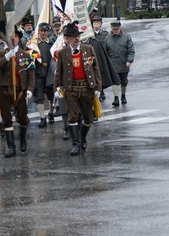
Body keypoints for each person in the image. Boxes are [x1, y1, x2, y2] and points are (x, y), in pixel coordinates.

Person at [53, 21, 102, 155]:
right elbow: (59, 71)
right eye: (73, 36)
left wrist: (98, 88)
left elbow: (95, 69)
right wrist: (57, 87)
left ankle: (82, 137)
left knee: (88, 118)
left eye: (77, 36)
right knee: (72, 116)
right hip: (71, 89)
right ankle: (75, 144)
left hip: (86, 88)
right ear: (67, 38)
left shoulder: (88, 49)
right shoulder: (62, 53)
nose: (76, 38)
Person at [0, 27, 35, 157]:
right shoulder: (2, 53)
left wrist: (29, 89)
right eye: (11, 37)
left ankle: (22, 139)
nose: (14, 39)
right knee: (6, 118)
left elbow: (31, 74)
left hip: (21, 90)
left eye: (16, 36)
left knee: (22, 117)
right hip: (5, 90)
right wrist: (6, 57)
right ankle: (11, 146)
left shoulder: (25, 54)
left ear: (18, 38)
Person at [84, 15, 119, 103]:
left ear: (101, 23)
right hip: (93, 58)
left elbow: (109, 46)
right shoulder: (90, 35)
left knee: (103, 74)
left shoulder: (105, 34)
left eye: (98, 22)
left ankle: (102, 90)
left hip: (103, 57)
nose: (96, 23)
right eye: (94, 22)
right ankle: (100, 90)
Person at [105, 21, 135, 106]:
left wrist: (129, 60)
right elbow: (105, 52)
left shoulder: (126, 37)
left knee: (124, 81)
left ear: (120, 28)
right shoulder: (107, 38)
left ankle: (123, 95)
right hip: (113, 63)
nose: (115, 31)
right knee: (115, 81)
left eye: (117, 29)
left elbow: (131, 50)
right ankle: (116, 98)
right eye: (114, 29)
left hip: (124, 63)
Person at [34, 22, 55, 127]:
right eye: (41, 31)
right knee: (39, 96)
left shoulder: (51, 44)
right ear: (38, 31)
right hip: (38, 73)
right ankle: (42, 117)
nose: (43, 33)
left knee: (51, 96)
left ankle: (51, 113)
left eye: (45, 31)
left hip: (49, 74)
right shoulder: (34, 44)